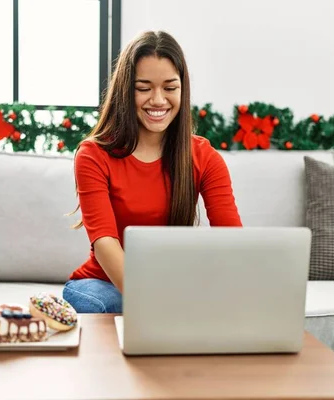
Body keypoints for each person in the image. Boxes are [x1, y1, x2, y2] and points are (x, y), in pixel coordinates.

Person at [62, 30, 242, 313]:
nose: (158, 100)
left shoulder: (205, 157)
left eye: (170, 88)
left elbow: (233, 241)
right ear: (125, 91)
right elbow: (105, 243)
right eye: (143, 88)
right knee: (115, 304)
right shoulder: (93, 155)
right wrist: (157, 301)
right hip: (102, 284)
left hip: (173, 284)